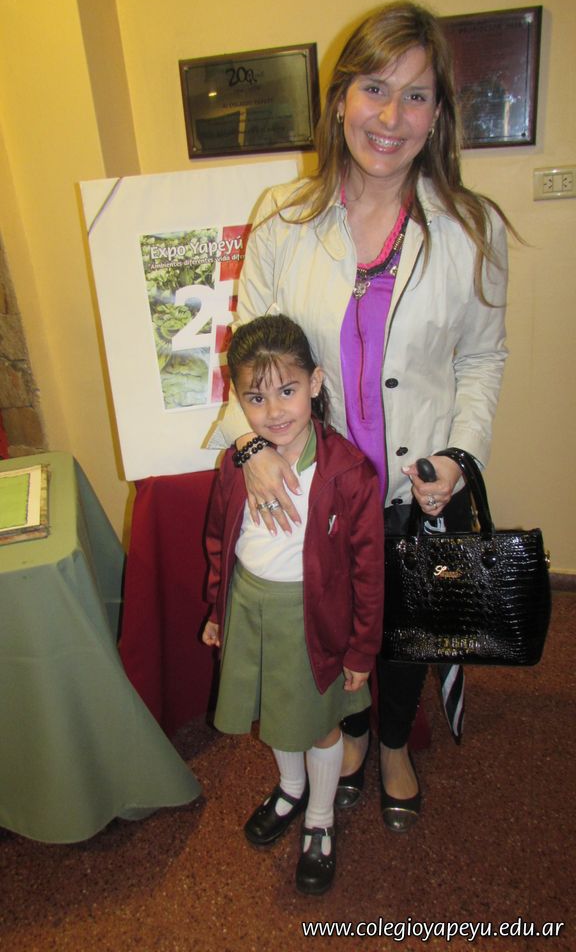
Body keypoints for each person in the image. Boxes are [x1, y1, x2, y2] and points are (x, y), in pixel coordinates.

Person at [216, 0, 511, 832]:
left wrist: (462, 455)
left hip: (418, 485)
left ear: (439, 114)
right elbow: (250, 358)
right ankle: (346, 733)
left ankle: (391, 744)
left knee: (407, 628)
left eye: (416, 96)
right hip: (322, 487)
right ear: (341, 98)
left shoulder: (470, 227)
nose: (390, 117)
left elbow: (483, 360)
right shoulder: (284, 217)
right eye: (374, 88)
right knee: (331, 624)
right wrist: (250, 448)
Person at [203, 313, 384, 894]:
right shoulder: (237, 463)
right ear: (239, 401)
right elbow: (220, 539)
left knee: (321, 726)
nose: (275, 411)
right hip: (250, 607)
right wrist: (217, 611)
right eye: (256, 398)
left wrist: (362, 650)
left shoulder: (350, 474)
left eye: (288, 390)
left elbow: (368, 573)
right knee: (278, 714)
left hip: (313, 620)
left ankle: (321, 818)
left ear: (316, 383)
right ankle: (291, 788)